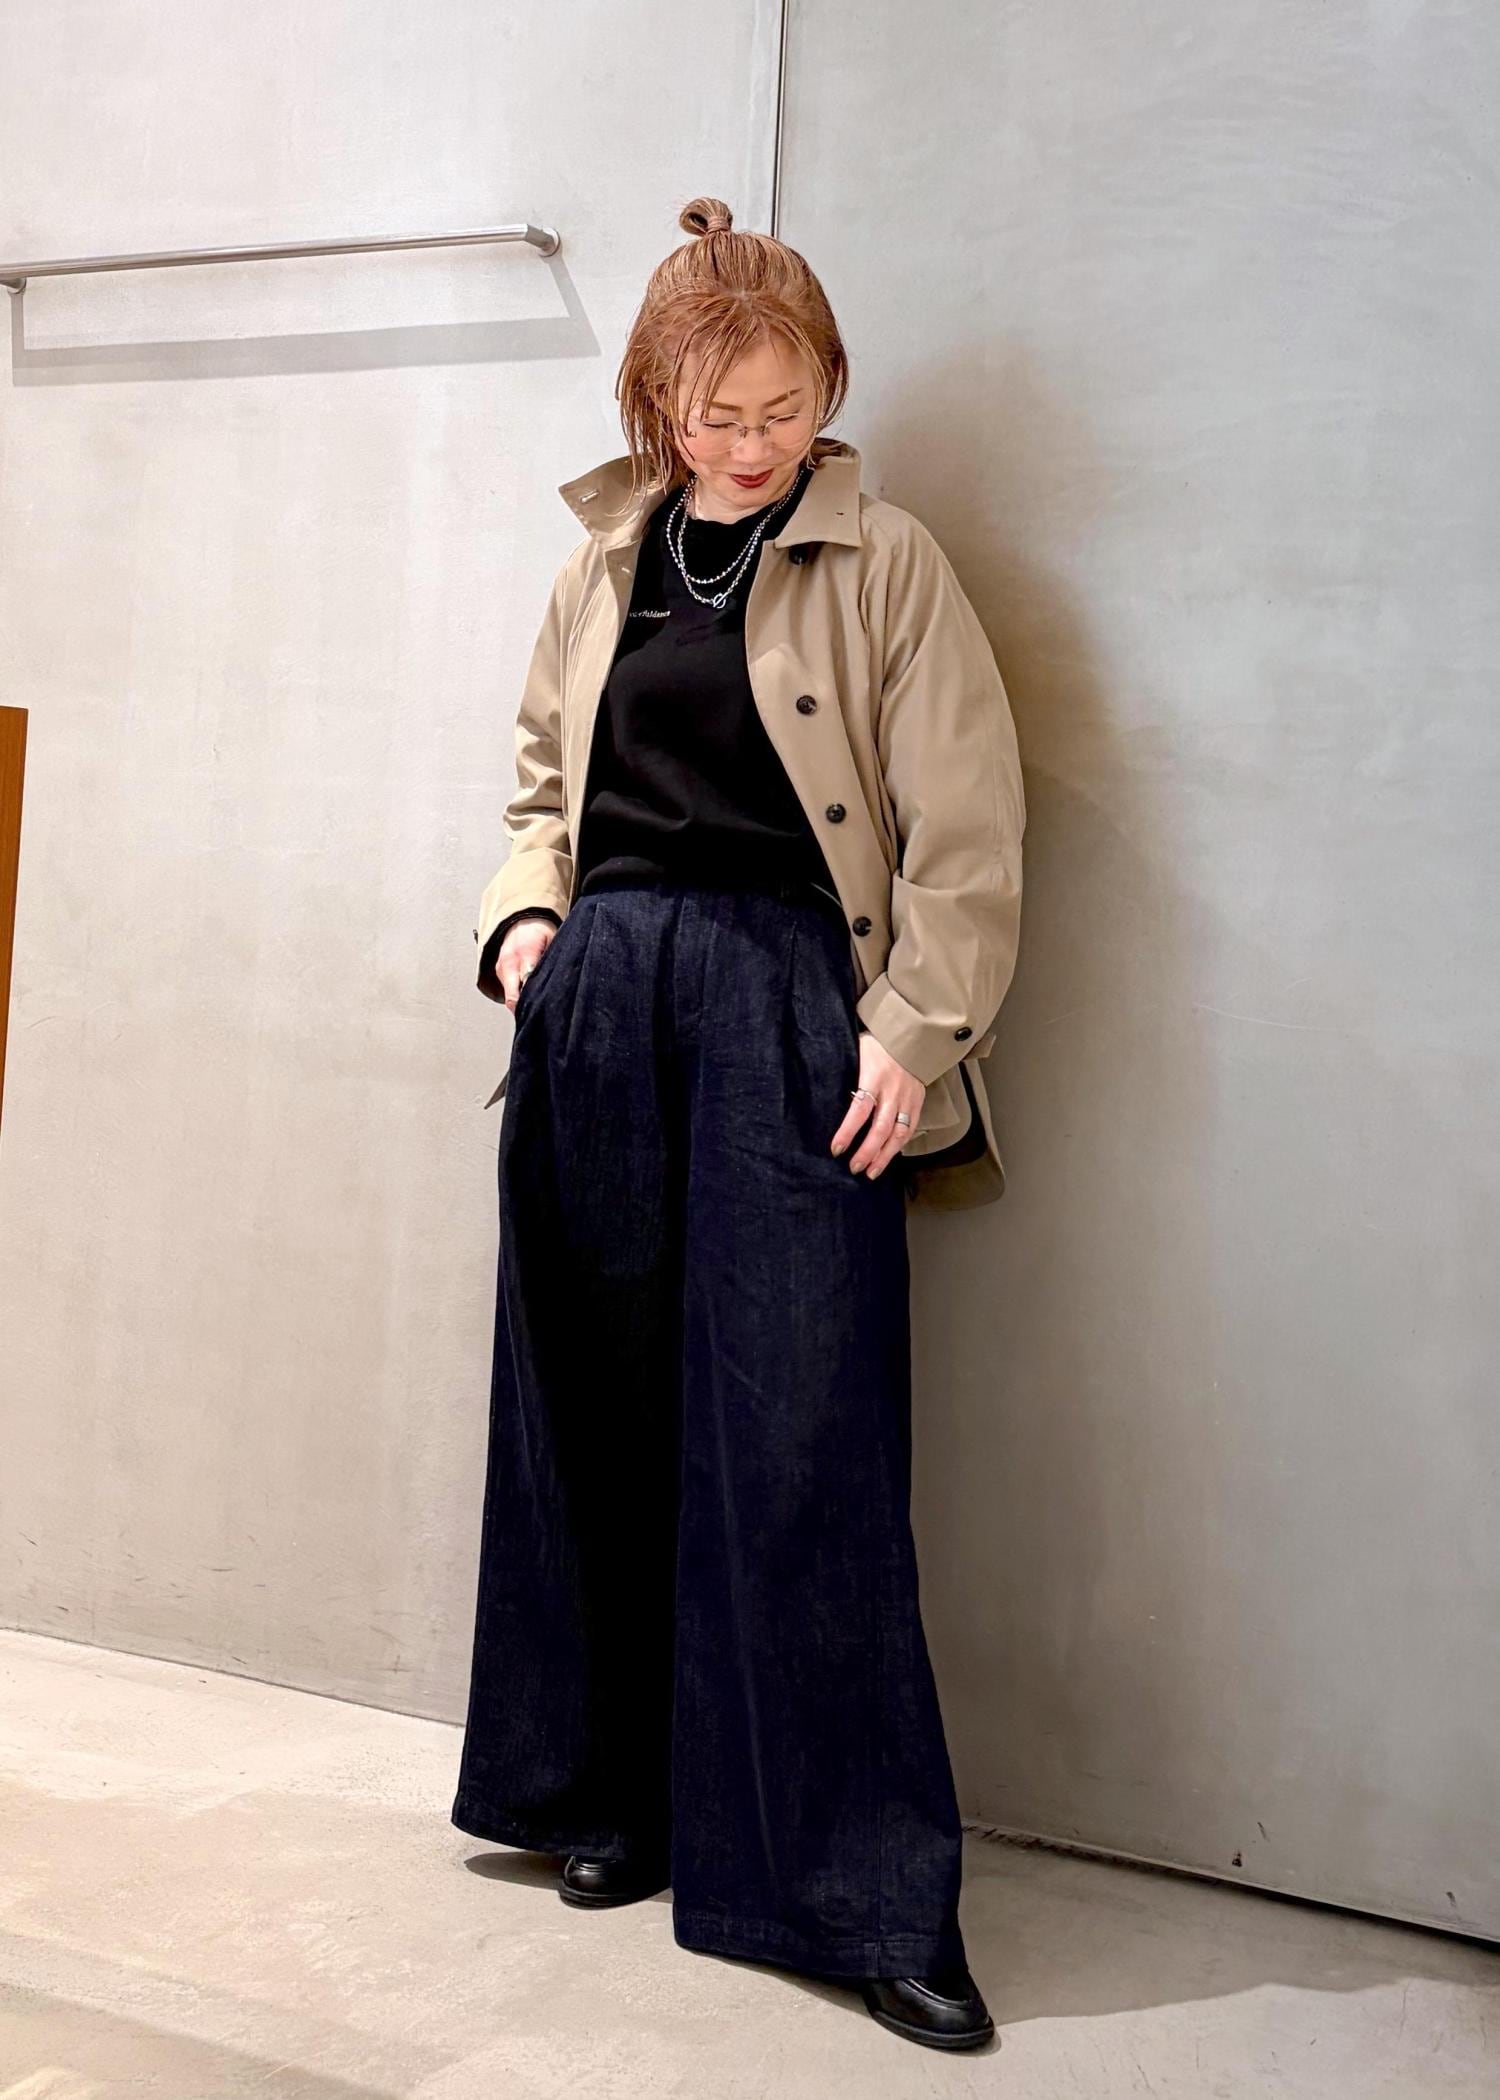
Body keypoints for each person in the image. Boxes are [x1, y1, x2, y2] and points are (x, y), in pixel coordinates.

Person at [451, 195, 1025, 2054]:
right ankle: (606, 1797)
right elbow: (538, 783)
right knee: (592, 1414)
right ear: (656, 403)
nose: (752, 442)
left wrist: (912, 1032)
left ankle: (855, 1895)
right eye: (715, 414)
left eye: (784, 408)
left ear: (825, 387)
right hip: (603, 1002)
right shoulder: (602, 562)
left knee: (804, 1442)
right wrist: (525, 925)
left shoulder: (888, 563)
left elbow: (970, 831)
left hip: (794, 1010)